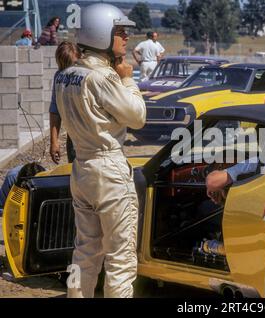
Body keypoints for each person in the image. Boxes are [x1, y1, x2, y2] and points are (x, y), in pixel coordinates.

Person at [55, 3, 146, 298]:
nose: (126, 38)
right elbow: (137, 116)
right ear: (100, 34)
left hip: (81, 168)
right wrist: (128, 78)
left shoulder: (66, 75)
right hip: (109, 170)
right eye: (120, 32)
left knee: (84, 253)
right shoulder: (103, 77)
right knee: (120, 259)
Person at [49, 41, 81, 164]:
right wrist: (54, 141)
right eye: (66, 67)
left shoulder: (88, 76)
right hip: (73, 136)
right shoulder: (59, 77)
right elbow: (55, 110)